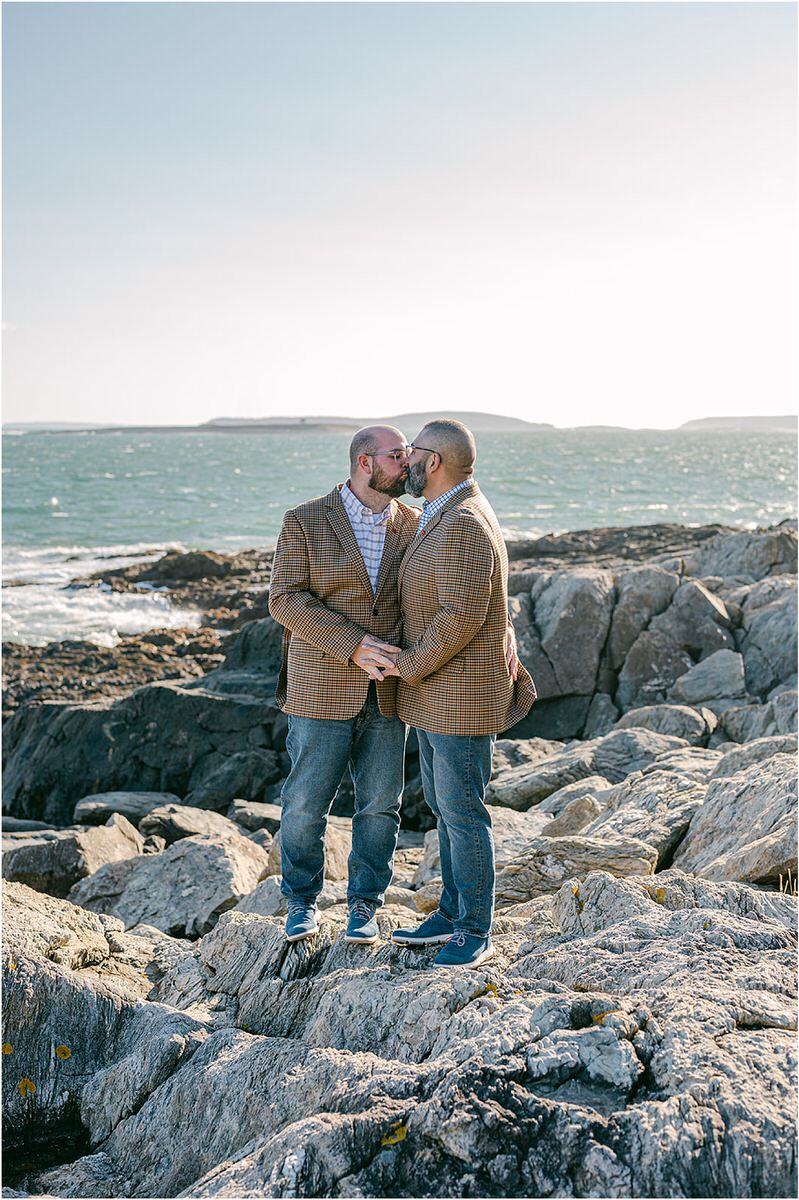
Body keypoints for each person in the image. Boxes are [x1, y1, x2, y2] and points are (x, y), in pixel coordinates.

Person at [384, 419, 537, 968]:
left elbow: (461, 615)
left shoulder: (465, 521)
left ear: (435, 461)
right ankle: (450, 914)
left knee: (463, 813)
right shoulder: (443, 510)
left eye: (412, 452)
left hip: (460, 696)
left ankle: (474, 930)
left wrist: (406, 666)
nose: (405, 460)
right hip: (438, 693)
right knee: (445, 810)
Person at [268, 426, 419, 944]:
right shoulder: (305, 519)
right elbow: (284, 599)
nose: (407, 464)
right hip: (319, 688)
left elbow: (442, 586)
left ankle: (364, 904)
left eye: (408, 454)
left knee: (380, 805)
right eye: (397, 455)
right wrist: (351, 644)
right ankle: (300, 901)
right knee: (305, 805)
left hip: (389, 690)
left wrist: (502, 624)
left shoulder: (416, 523)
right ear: (364, 462)